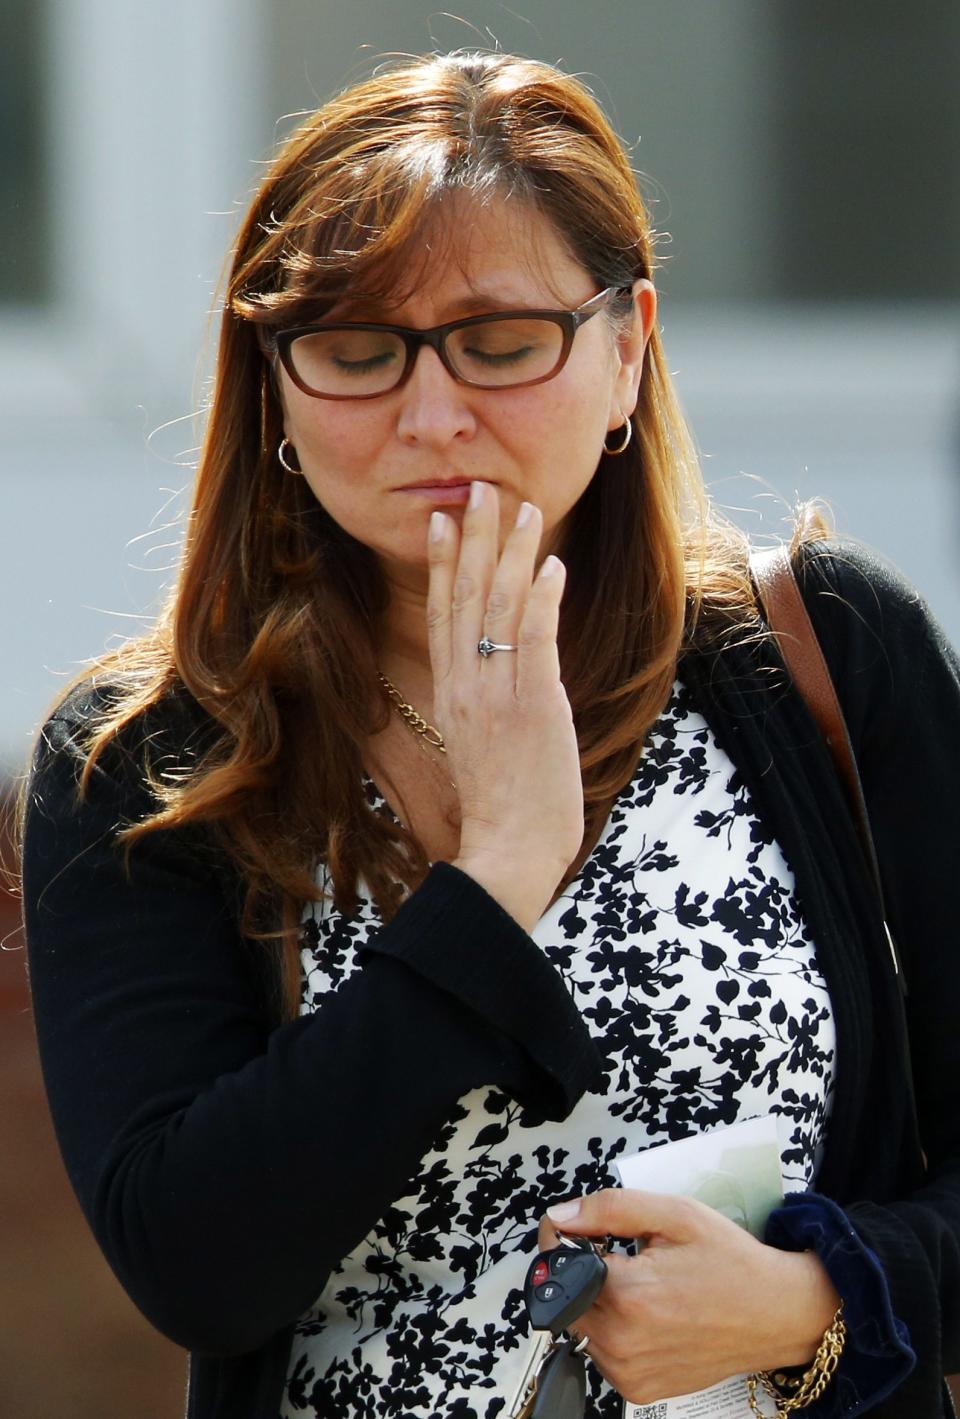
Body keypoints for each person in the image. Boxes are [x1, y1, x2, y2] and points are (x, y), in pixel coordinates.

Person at [19, 49, 960, 1419]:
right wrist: (496, 879)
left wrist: (817, 1295)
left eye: (502, 344)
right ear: (273, 384)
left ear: (628, 348)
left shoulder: (818, 654)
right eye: (355, 352)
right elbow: (198, 1265)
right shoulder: (152, 758)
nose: (434, 414)